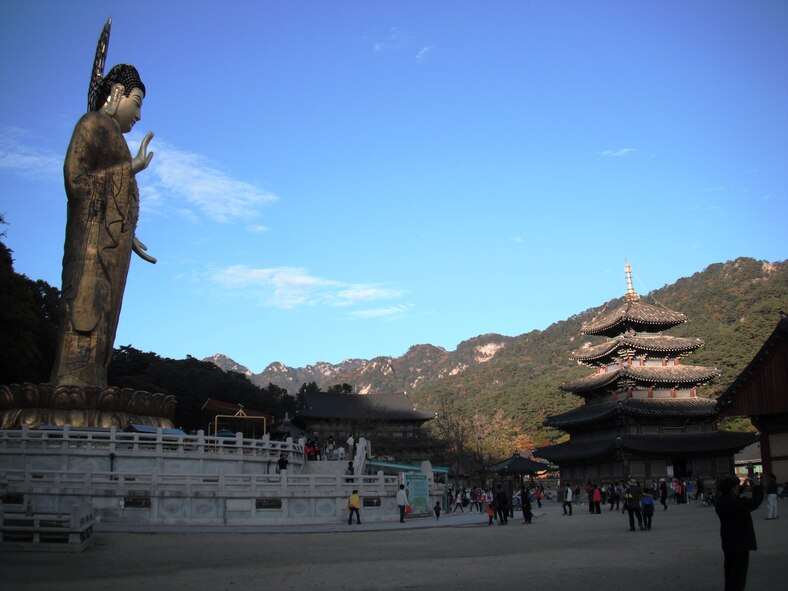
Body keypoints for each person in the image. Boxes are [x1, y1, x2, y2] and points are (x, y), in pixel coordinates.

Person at [51, 62, 155, 388]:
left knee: (106, 318)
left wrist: (129, 232)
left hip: (115, 246)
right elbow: (76, 180)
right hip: (90, 244)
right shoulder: (91, 124)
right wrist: (130, 169)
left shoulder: (118, 141)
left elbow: (118, 198)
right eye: (136, 103)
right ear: (117, 93)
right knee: (85, 311)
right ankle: (72, 381)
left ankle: (94, 381)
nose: (138, 116)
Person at [716, 477, 764, 591]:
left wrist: (743, 486)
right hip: (741, 544)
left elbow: (733, 496)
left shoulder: (721, 502)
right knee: (739, 576)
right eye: (736, 486)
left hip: (729, 543)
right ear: (732, 490)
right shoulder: (738, 505)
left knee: (730, 573)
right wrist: (757, 486)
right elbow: (756, 501)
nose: (738, 487)